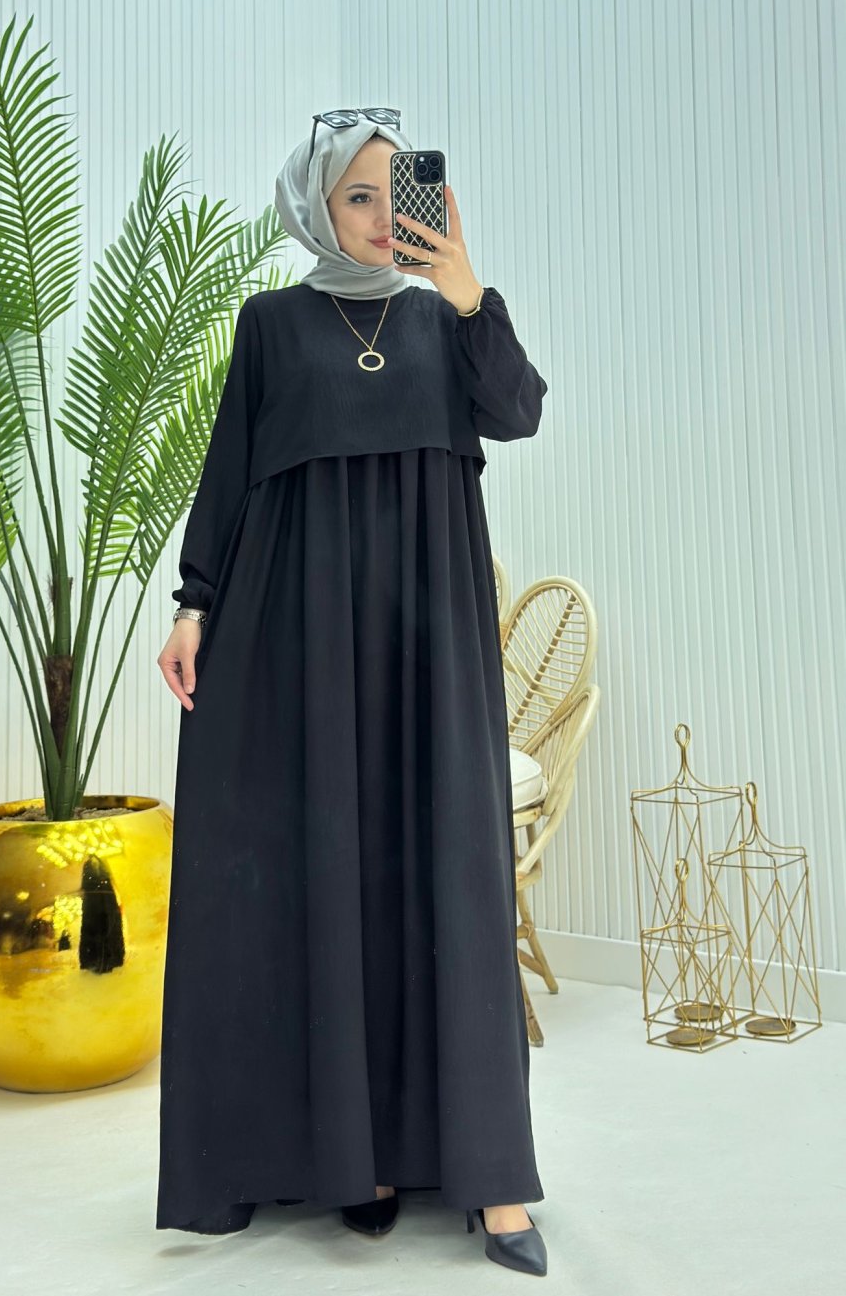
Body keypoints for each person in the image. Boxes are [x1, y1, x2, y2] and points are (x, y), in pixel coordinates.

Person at [155, 109, 550, 1278]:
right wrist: (194, 605)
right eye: (359, 197)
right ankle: (356, 1159)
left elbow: (518, 411)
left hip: (431, 639)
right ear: (318, 208)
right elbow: (230, 472)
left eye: (397, 193)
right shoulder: (272, 324)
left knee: (448, 873)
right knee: (328, 872)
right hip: (298, 635)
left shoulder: (443, 320)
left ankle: (495, 1183)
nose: (383, 218)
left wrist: (468, 289)